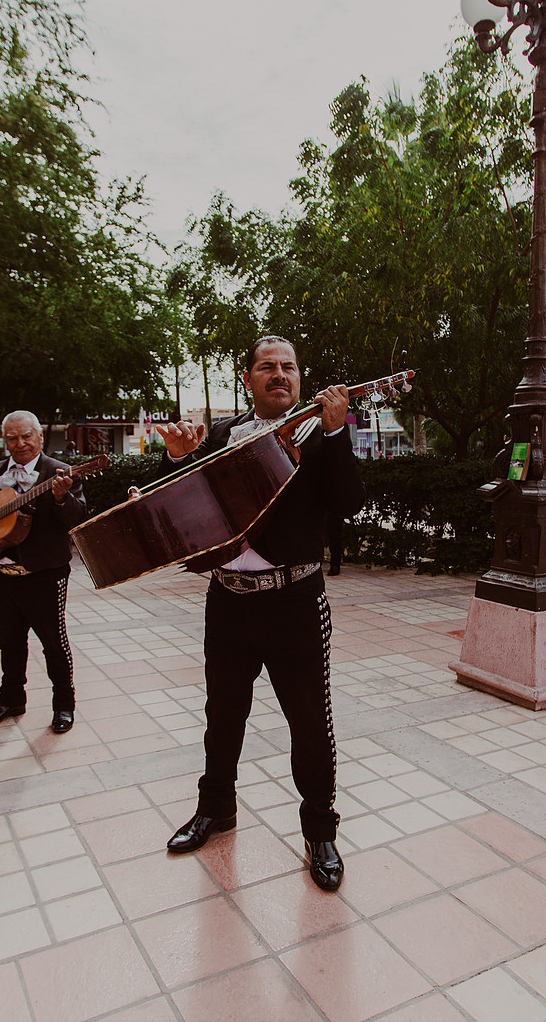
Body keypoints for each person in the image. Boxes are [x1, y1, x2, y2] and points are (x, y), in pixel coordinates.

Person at [154, 335, 364, 892]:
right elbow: (192, 503)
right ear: (247, 379)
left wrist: (339, 431)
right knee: (222, 715)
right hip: (227, 601)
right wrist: (179, 456)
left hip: (294, 600)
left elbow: (347, 502)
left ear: (300, 377)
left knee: (309, 722)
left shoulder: (321, 432)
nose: (280, 375)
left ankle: (320, 830)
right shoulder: (220, 436)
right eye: (267, 367)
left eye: (289, 367)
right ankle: (215, 809)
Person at [0, 411, 86, 733]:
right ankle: (11, 700)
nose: (19, 443)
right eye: (12, 438)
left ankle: (64, 706)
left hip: (45, 575)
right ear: (4, 440)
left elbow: (77, 517)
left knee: (54, 642)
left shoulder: (60, 472)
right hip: (1, 574)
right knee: (9, 642)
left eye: (26, 436)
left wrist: (62, 498)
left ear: (39, 437)